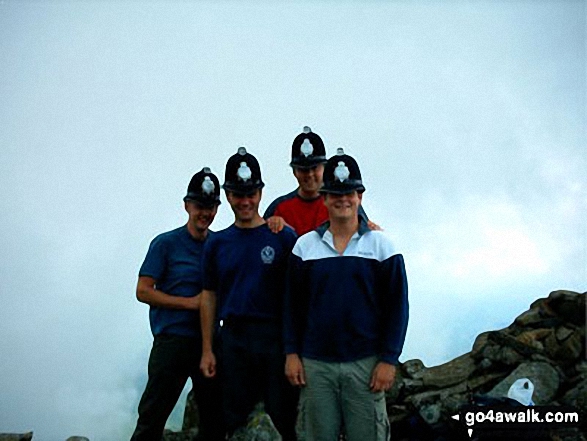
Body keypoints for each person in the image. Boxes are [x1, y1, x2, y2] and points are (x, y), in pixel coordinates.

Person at [283, 148, 409, 441]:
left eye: (349, 193)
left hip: (365, 363)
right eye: (335, 194)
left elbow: (397, 308)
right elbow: (292, 306)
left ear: (360, 197)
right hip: (316, 365)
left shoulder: (382, 247)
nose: (343, 199)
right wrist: (291, 353)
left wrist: (389, 360)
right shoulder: (304, 248)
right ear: (324, 198)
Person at [199, 147, 298, 440]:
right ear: (228, 195)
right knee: (233, 416)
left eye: (251, 193)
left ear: (261, 192)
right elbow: (208, 296)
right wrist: (207, 349)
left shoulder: (282, 237)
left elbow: (297, 293)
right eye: (238, 194)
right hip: (233, 340)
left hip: (274, 339)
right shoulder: (216, 244)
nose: (245, 201)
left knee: (283, 416)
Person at [131, 168, 224, 441]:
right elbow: (143, 291)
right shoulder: (165, 244)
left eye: (211, 207)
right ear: (187, 205)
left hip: (209, 342)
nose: (205, 213)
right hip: (171, 341)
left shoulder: (220, 244)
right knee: (152, 416)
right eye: (199, 206)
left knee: (214, 418)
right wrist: (190, 304)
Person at [264, 126, 376, 235]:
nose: (309, 174)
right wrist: (271, 224)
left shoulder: (342, 203)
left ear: (324, 168)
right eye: (303, 169)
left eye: (314, 168)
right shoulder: (279, 208)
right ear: (294, 172)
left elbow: (365, 235)